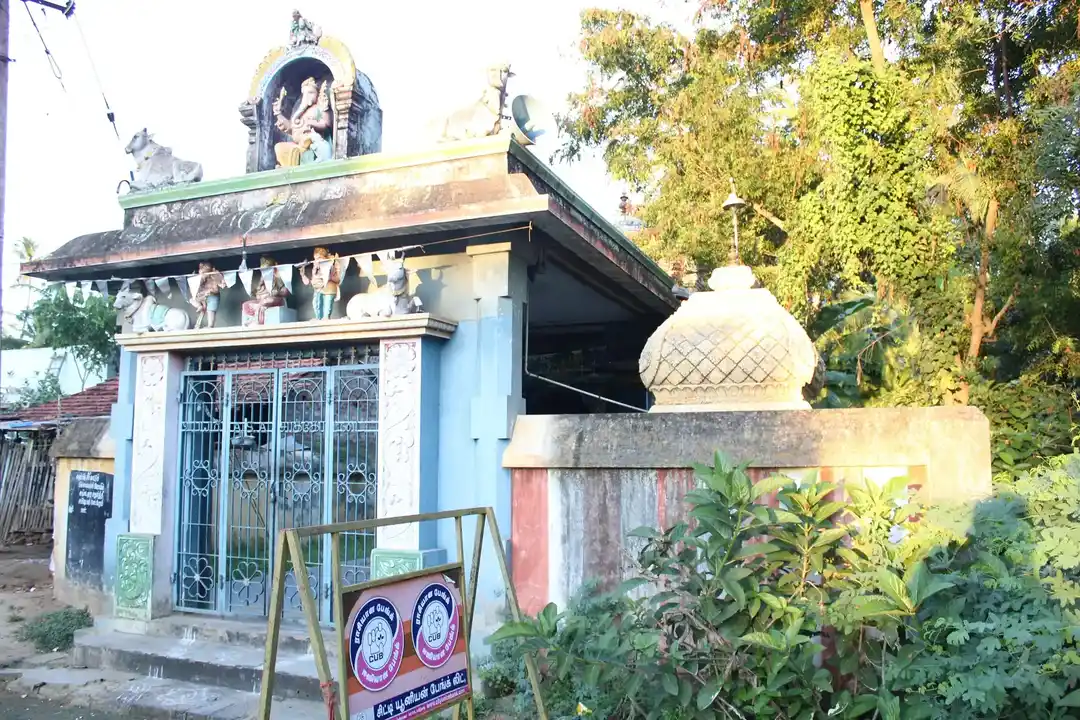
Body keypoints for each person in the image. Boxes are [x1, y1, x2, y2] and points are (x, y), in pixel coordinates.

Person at [273, 77, 332, 167]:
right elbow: (292, 128)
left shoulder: (320, 107)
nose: (307, 96)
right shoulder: (301, 111)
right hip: (299, 144)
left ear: (317, 93)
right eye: (304, 93)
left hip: (313, 142)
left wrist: (312, 123)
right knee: (279, 147)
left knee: (314, 143)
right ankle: (287, 169)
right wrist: (278, 113)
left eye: (311, 93)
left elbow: (326, 123)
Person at [241, 257, 288, 326]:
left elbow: (285, 291)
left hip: (276, 299)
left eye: (268, 269)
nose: (266, 272)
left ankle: (256, 318)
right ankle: (255, 319)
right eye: (264, 270)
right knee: (246, 304)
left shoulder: (278, 277)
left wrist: (276, 292)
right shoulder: (263, 278)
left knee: (267, 301)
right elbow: (257, 291)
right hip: (263, 299)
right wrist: (261, 286)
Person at [300, 247, 341, 320]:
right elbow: (311, 282)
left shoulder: (331, 265)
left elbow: (338, 279)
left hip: (329, 289)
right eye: (315, 258)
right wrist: (303, 275)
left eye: (319, 258)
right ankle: (318, 318)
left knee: (327, 306)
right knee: (316, 304)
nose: (317, 260)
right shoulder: (315, 268)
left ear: (324, 258)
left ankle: (326, 318)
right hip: (318, 289)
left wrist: (329, 276)